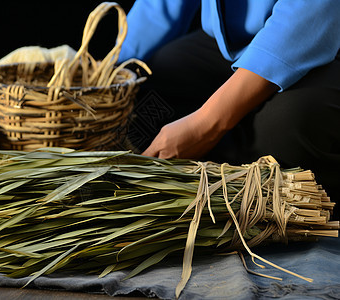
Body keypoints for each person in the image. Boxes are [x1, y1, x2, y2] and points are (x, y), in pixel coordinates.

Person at [118, 0, 340, 219]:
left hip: (320, 41)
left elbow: (312, 13)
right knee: (154, 92)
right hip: (233, 42)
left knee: (286, 127)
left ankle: (277, 222)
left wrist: (207, 124)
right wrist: (109, 72)